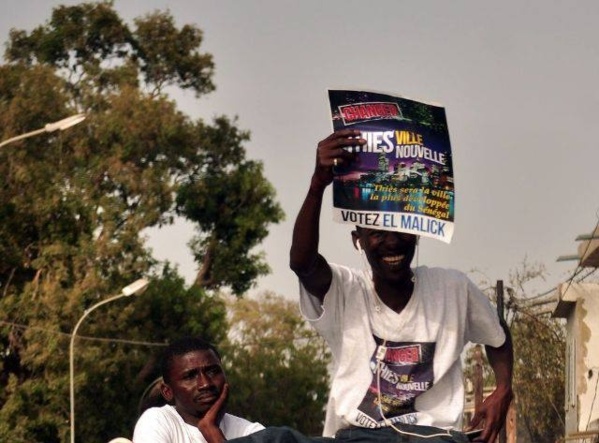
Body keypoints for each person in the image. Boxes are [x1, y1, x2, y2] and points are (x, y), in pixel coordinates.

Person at [287, 130, 514, 443]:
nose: (391, 242)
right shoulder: (345, 290)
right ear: (358, 240)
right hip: (358, 437)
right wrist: (317, 185)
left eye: (399, 229)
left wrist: (504, 389)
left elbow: (497, 335)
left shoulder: (452, 288)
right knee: (275, 438)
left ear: (417, 232)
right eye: (377, 233)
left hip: (433, 436)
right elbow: (302, 264)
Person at [133, 337, 265, 443]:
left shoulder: (250, 432)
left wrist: (212, 432)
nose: (205, 384)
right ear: (168, 392)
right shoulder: (157, 421)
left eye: (213, 371)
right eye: (190, 376)